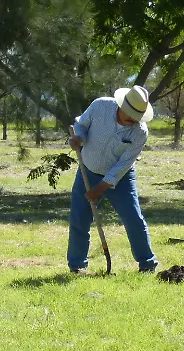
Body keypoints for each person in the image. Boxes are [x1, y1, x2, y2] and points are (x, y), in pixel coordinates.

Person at [67, 85, 159, 273]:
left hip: (121, 177)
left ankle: (147, 264)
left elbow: (124, 163)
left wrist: (102, 186)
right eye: (130, 116)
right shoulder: (100, 106)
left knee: (133, 218)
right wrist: (78, 138)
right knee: (79, 218)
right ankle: (77, 266)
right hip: (88, 169)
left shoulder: (140, 132)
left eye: (137, 117)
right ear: (122, 106)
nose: (133, 121)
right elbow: (81, 124)